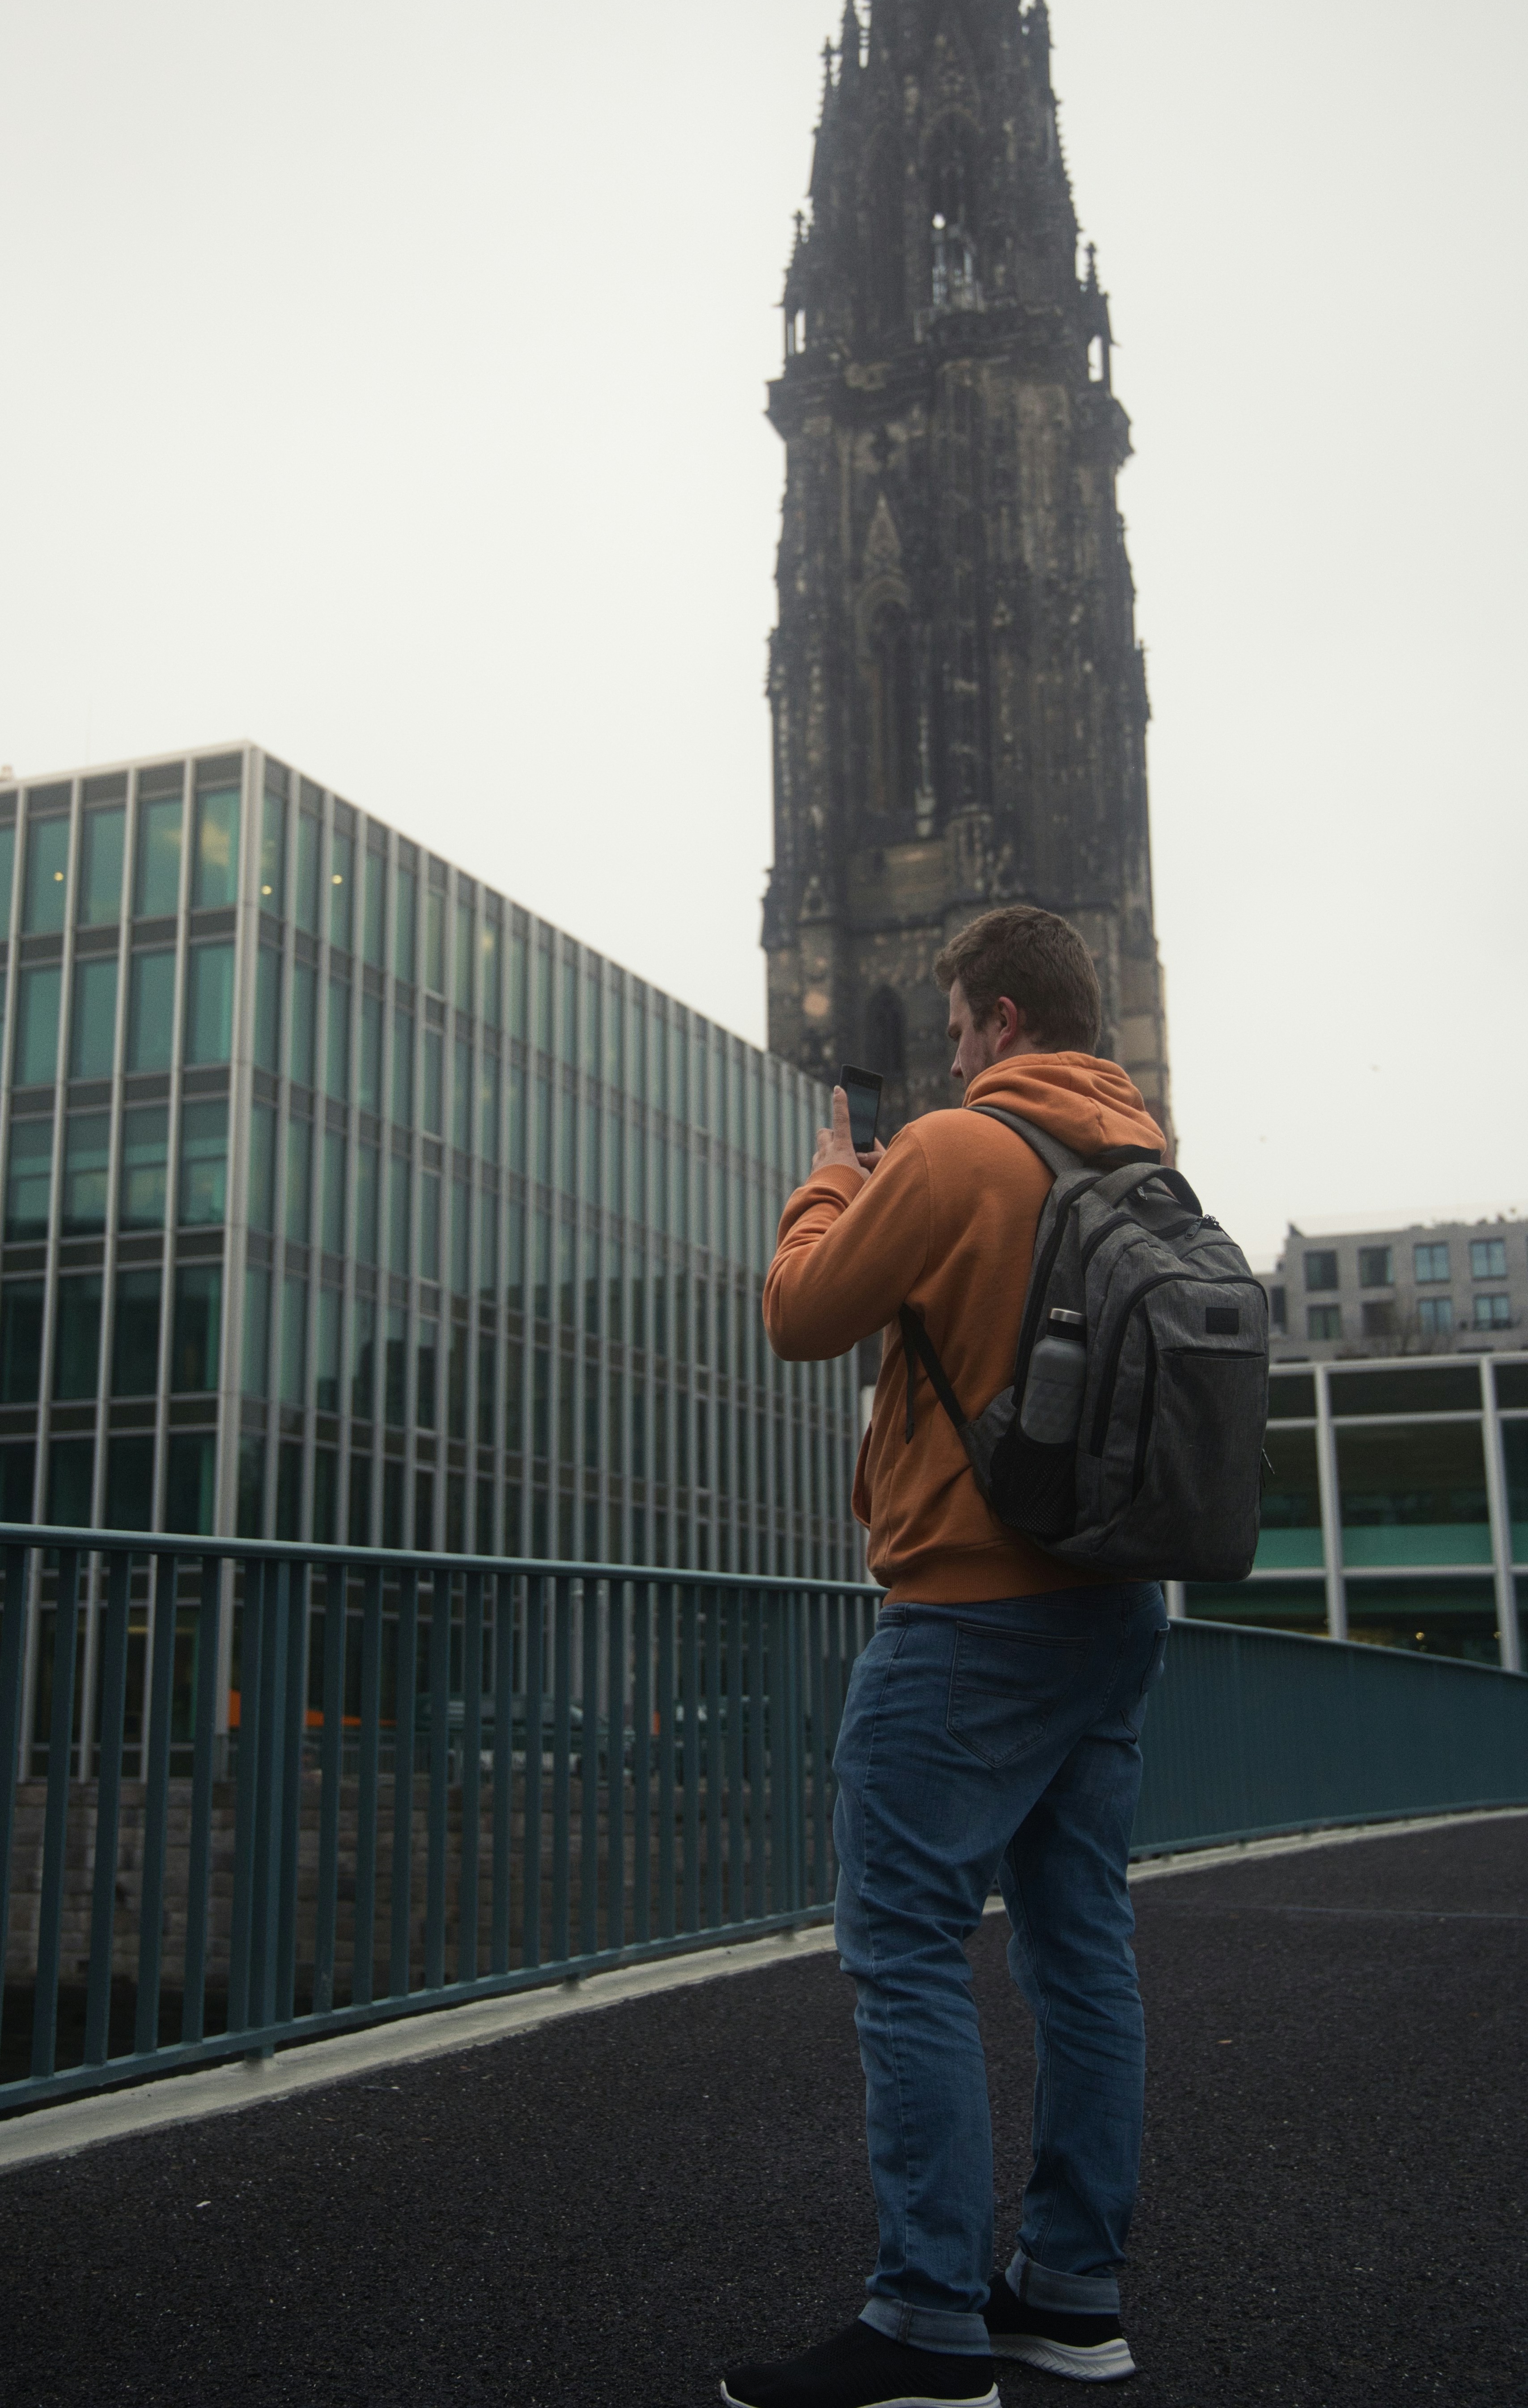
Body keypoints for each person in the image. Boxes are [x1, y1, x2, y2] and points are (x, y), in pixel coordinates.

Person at [719, 906, 1171, 2408]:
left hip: (971, 1609)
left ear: (1000, 1020)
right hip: (1116, 1605)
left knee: (906, 1939)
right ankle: (1071, 2295)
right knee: (1080, 1947)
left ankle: (926, 2315)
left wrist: (830, 1184)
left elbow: (803, 1314)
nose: (958, 1052)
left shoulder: (956, 1149)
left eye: (963, 1025)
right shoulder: (1146, 1162)